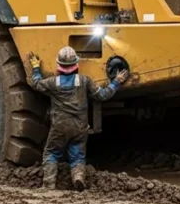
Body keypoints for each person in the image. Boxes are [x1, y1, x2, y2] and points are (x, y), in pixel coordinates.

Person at [28, 47, 129, 191]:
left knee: (51, 153)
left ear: (59, 65)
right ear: (76, 64)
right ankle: (78, 178)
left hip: (60, 126)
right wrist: (116, 82)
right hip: (80, 127)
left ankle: (49, 185)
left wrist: (36, 67)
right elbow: (103, 95)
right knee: (77, 155)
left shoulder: (53, 83)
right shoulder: (84, 81)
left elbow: (36, 84)